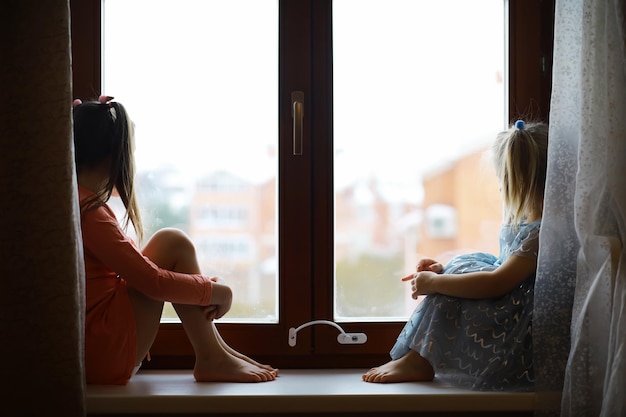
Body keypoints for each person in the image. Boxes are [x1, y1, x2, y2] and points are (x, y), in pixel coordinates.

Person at [73, 95, 278, 385]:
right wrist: (215, 291)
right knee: (173, 244)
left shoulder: (75, 203)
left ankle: (217, 352)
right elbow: (151, 282)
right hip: (104, 356)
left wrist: (202, 288)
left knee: (168, 243)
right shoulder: (89, 212)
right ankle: (212, 357)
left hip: (95, 350)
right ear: (115, 158)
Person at [363, 120, 548, 391]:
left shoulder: (543, 233)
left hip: (519, 324)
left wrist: (436, 283)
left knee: (462, 268)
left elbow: (499, 282)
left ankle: (420, 360)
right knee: (460, 264)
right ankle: (418, 358)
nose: (499, 188)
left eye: (502, 180)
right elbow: (500, 268)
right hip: (510, 304)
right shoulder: (526, 222)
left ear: (518, 182)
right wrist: (444, 271)